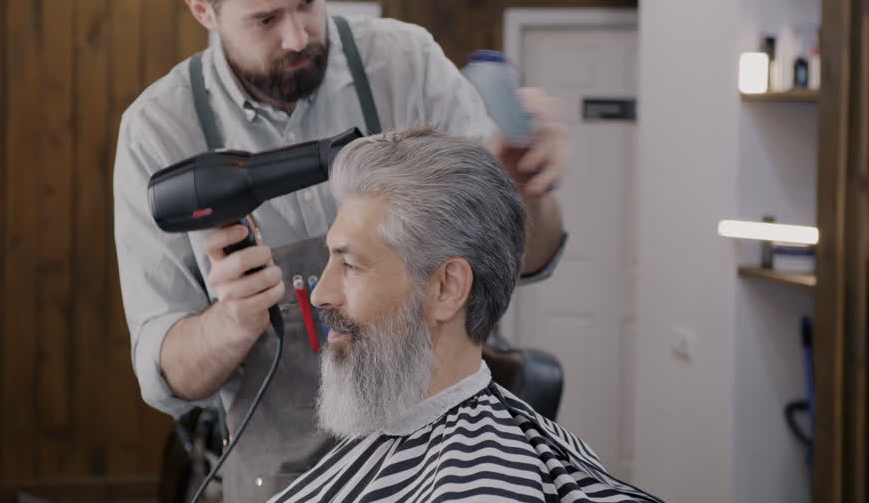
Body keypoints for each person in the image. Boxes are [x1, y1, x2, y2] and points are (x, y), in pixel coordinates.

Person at [113, 0, 570, 501]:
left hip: (440, 463)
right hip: (282, 479)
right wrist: (233, 319)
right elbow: (166, 377)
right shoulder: (158, 131)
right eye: (265, 19)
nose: (297, 36)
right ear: (201, 8)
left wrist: (527, 185)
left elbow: (525, 260)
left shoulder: (406, 65)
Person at [270, 126, 661, 503]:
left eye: (351, 265)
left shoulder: (486, 485)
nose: (320, 294)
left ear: (446, 288)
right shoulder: (387, 433)